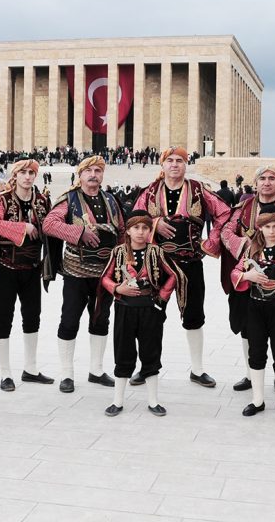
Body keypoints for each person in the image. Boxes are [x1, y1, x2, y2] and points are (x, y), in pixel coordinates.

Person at [132, 147, 230, 387]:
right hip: (157, 265)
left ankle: (197, 369)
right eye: (170, 161)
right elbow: (134, 218)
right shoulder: (150, 191)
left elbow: (225, 213)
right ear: (162, 165)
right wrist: (154, 223)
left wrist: (211, 241)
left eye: (180, 161)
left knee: (194, 316)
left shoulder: (198, 190)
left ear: (186, 165)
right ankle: (147, 367)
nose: (175, 165)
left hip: (190, 263)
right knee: (151, 316)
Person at [220, 166, 275, 391]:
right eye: (263, 178)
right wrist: (245, 247)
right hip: (248, 274)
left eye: (272, 178)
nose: (267, 182)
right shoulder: (244, 206)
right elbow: (226, 231)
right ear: (256, 181)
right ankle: (252, 375)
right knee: (247, 327)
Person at [43, 156, 123, 393]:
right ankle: (67, 374)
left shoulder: (110, 200)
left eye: (98, 170)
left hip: (104, 274)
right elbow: (49, 224)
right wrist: (79, 233)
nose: (94, 174)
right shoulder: (68, 200)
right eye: (89, 170)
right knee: (69, 321)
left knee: (100, 320)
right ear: (80, 175)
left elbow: (121, 232)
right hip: (76, 273)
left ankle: (96, 370)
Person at [0, 159, 55, 390]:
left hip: (32, 269)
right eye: (23, 172)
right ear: (15, 175)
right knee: (4, 318)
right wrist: (23, 228)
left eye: (31, 173)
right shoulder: (3, 199)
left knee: (33, 317)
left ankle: (30, 368)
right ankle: (5, 373)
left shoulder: (42, 201)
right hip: (7, 268)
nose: (27, 177)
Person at [100, 210, 179, 417]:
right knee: (123, 352)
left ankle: (153, 401)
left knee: (151, 351)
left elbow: (173, 275)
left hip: (149, 309)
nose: (141, 232)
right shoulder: (118, 252)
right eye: (136, 228)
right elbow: (105, 278)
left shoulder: (157, 251)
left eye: (145, 228)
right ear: (128, 230)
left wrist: (161, 297)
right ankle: (117, 400)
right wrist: (118, 289)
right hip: (125, 308)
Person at [230, 206, 275, 419]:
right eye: (267, 226)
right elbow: (235, 272)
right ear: (260, 227)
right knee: (256, 353)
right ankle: (257, 400)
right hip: (255, 308)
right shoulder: (252, 250)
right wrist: (248, 276)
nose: (271, 231)